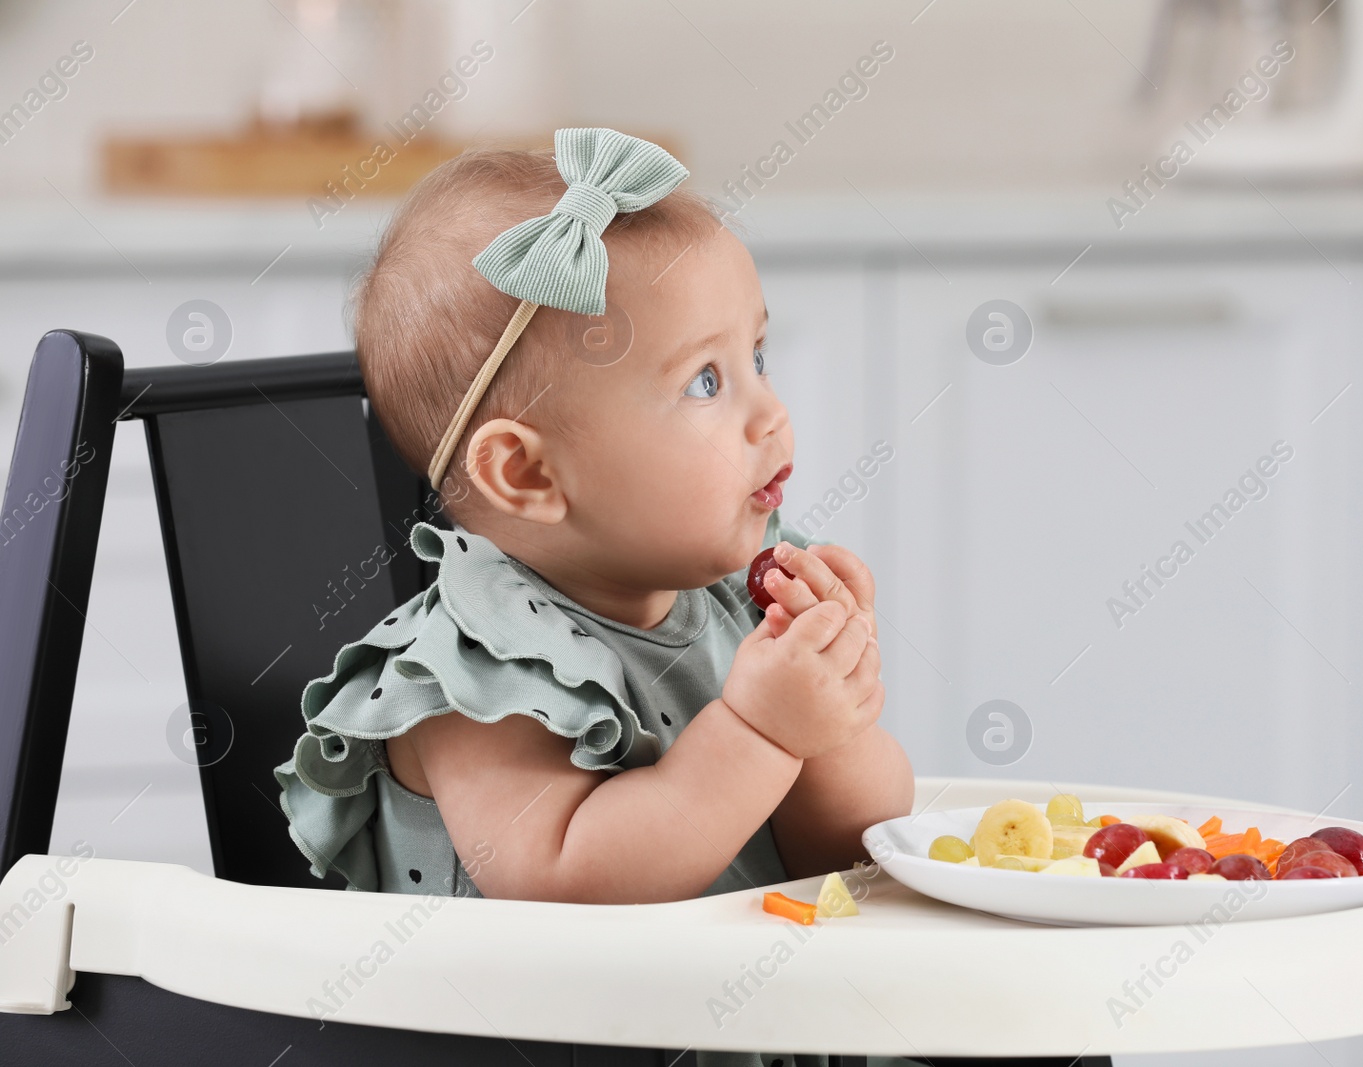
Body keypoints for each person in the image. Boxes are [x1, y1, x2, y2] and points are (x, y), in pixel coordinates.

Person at [273, 128, 914, 1067]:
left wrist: (831, 716)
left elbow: (849, 847)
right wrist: (764, 732)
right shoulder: (472, 670)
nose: (769, 413)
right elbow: (570, 883)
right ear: (527, 473)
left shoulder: (736, 600)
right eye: (705, 380)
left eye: (759, 358)